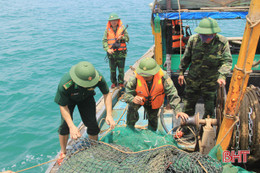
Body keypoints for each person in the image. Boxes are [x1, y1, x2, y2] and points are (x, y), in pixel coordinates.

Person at [54, 61, 115, 165]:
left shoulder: (98, 77)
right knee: (64, 126)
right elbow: (62, 106)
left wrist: (109, 114)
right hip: (69, 101)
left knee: (92, 124)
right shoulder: (66, 83)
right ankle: (63, 152)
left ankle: (94, 148)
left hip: (86, 98)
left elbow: (106, 94)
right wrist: (72, 126)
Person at [178, 17, 232, 119]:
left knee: (210, 109)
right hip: (193, 79)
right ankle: (186, 128)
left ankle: (206, 129)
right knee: (188, 106)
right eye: (202, 36)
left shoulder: (222, 42)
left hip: (210, 82)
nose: (204, 39)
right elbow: (186, 57)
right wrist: (181, 72)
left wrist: (222, 76)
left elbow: (227, 61)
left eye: (207, 37)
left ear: (214, 34)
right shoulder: (193, 40)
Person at [124, 57, 189, 131]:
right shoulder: (134, 78)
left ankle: (151, 134)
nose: (145, 76)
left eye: (148, 75)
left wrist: (178, 111)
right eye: (143, 74)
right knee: (131, 110)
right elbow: (126, 95)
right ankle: (130, 129)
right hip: (138, 100)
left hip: (154, 102)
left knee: (153, 123)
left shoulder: (163, 77)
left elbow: (172, 93)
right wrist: (132, 99)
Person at [102, 12, 129, 88]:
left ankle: (121, 82)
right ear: (109, 22)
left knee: (121, 69)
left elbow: (127, 39)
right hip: (112, 54)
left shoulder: (123, 29)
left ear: (118, 21)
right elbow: (104, 41)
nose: (113, 22)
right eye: (112, 20)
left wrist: (122, 38)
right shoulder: (107, 30)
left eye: (115, 20)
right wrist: (107, 49)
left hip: (121, 53)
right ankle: (114, 82)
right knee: (112, 70)